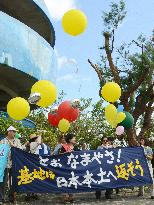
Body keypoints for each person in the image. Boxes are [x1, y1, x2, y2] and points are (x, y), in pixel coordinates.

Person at [0, 126, 23, 204]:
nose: (14, 133)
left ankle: (11, 198)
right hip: (4, 164)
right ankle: (1, 198)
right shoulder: (2, 141)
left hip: (15, 164)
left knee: (13, 182)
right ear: (9, 132)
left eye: (15, 131)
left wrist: (13, 146)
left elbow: (20, 150)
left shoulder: (17, 141)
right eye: (13, 131)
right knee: (3, 182)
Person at [58, 133, 77, 203]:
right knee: (65, 181)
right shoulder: (63, 147)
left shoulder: (76, 147)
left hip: (73, 168)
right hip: (65, 168)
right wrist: (67, 153)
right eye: (73, 138)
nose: (75, 139)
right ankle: (65, 197)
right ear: (69, 139)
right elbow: (59, 156)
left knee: (72, 181)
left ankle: (71, 197)